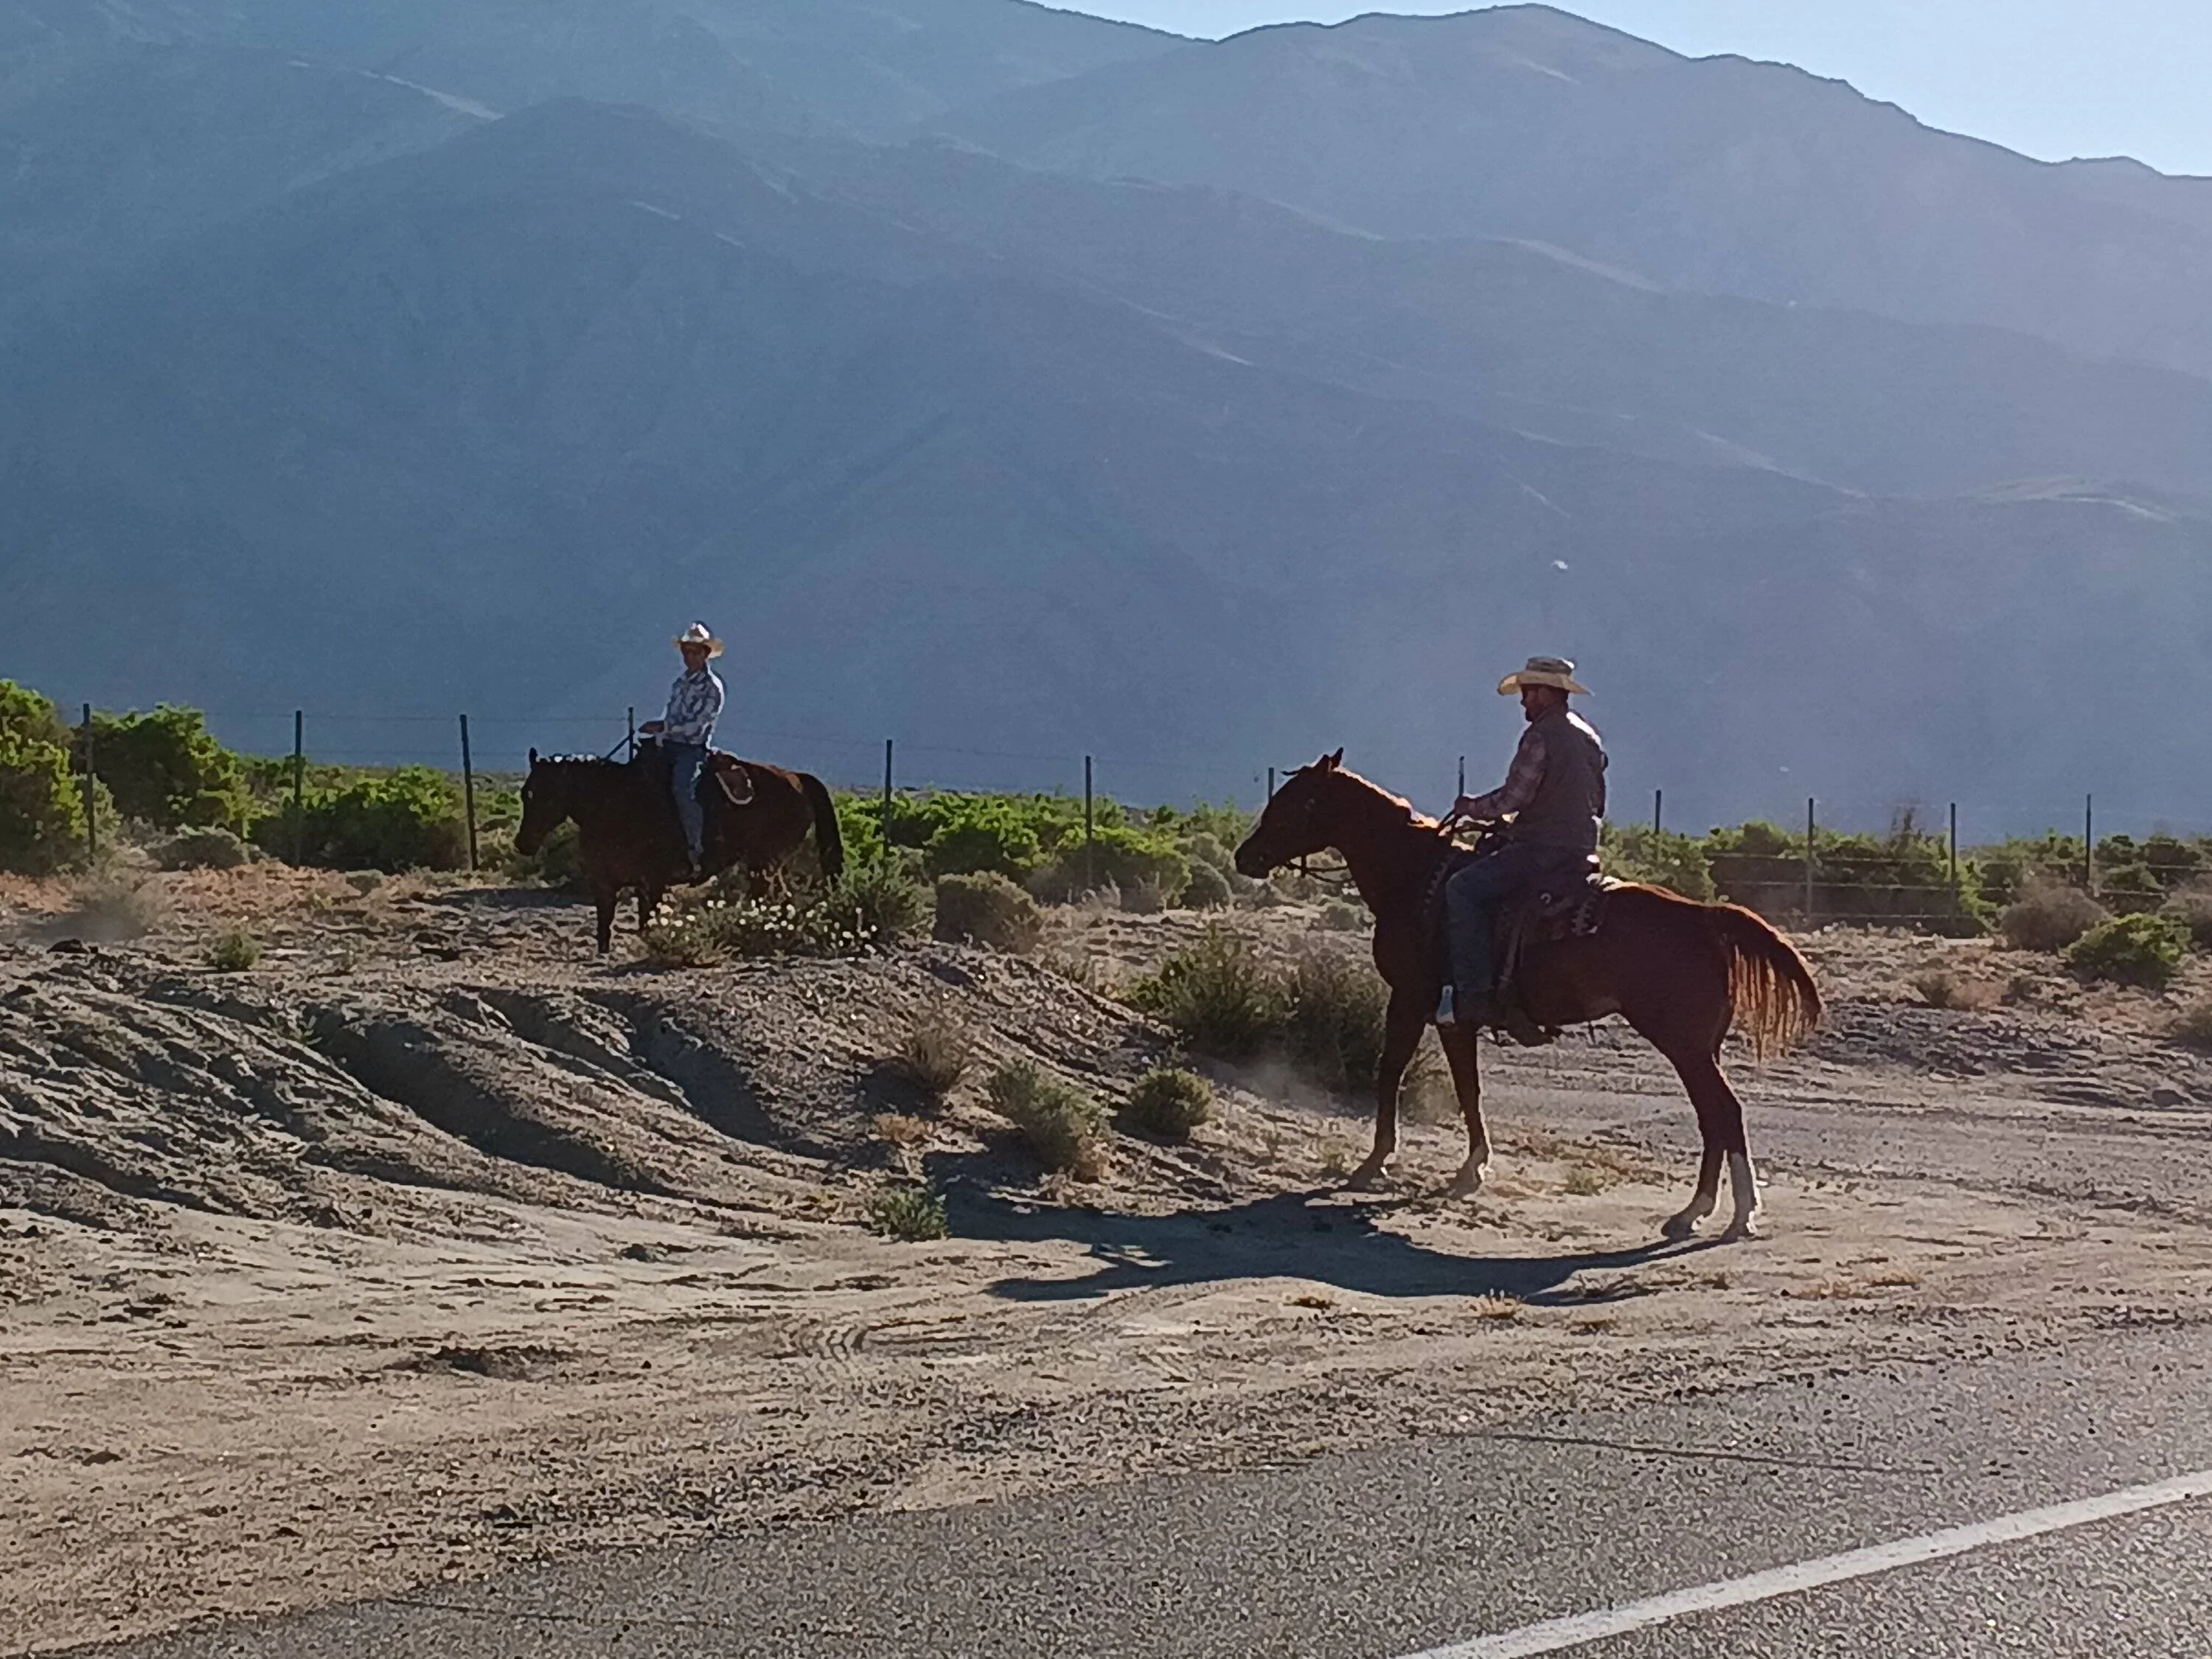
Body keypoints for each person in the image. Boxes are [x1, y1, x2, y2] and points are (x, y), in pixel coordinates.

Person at [1436, 655, 1607, 1028]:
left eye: (1529, 692)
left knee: (1462, 889)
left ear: (1547, 693)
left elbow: (1513, 798)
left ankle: (1473, 994)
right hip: (1581, 849)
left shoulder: (1541, 735)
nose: (1523, 701)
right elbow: (1597, 799)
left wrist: (1471, 808)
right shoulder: (1589, 737)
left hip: (1542, 849)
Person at [638, 622, 726, 875]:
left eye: (695, 651)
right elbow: (672, 717)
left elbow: (697, 726)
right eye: (687, 651)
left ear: (706, 654)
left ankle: (695, 848)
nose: (689, 656)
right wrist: (661, 728)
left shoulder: (713, 687)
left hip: (692, 749)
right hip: (666, 745)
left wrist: (664, 728)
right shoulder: (680, 683)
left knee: (683, 790)